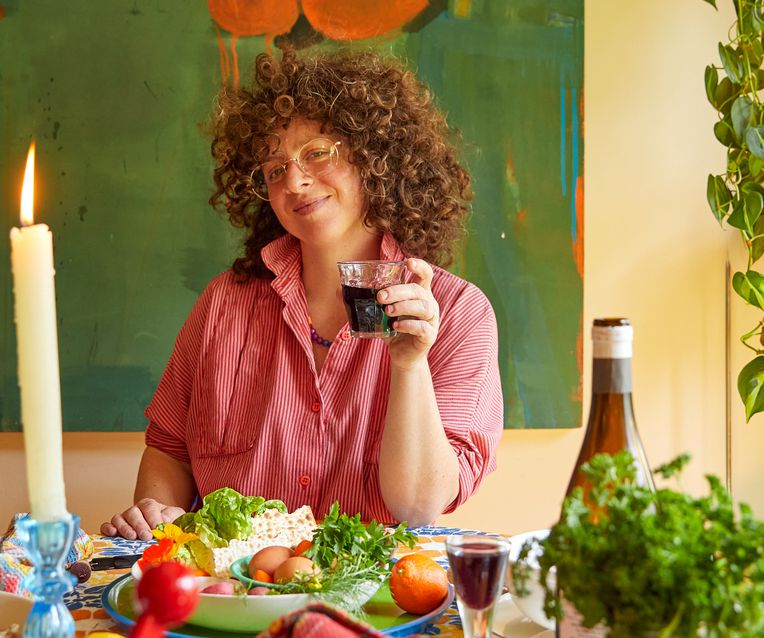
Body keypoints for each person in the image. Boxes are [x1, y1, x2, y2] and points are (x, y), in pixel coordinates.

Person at [101, 48, 503, 540]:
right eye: (273, 170)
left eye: (316, 153)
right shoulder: (224, 303)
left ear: (374, 158)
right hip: (236, 597)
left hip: (373, 599)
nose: (294, 180)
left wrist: (408, 364)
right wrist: (155, 518)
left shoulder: (459, 313)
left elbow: (417, 506)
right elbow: (170, 449)